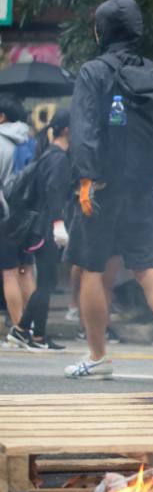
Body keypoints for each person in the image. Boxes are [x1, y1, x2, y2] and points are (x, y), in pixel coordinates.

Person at [64, 0, 153, 383]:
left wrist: (86, 180)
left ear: (100, 31)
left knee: (91, 268)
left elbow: (84, 129)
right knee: (146, 267)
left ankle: (99, 356)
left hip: (103, 185)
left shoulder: (94, 72)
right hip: (145, 186)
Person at [6, 108, 72, 351]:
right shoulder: (58, 159)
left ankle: (39, 336)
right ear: (67, 130)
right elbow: (54, 194)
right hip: (46, 228)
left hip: (39, 227)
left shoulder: (47, 155)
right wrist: (58, 225)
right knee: (46, 282)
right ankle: (23, 329)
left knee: (46, 281)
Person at [0, 94, 36, 330]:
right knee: (26, 271)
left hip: (4, 214)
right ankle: (33, 326)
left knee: (10, 273)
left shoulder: (1, 142)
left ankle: (19, 329)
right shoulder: (30, 140)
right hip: (28, 214)